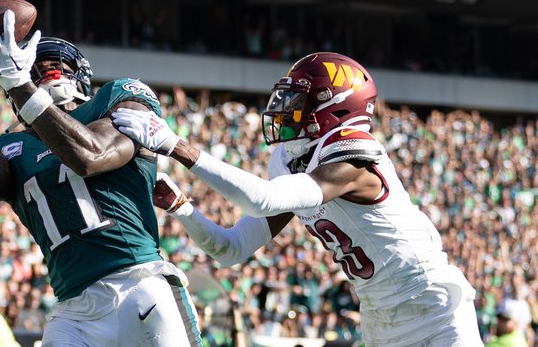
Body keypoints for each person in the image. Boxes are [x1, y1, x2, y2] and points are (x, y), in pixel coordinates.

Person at [112, 52, 483, 347]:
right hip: (379, 316)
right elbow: (232, 249)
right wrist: (184, 209)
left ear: (334, 107)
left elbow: (264, 200)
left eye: (301, 100)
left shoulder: (352, 154)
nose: (286, 108)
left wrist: (178, 147)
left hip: (435, 308)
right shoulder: (291, 159)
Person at [0, 0, 201, 346]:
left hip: (140, 285)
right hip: (73, 310)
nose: (46, 72)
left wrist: (19, 82)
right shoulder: (15, 146)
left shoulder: (116, 98)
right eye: (33, 68)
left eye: (59, 64)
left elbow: (91, 156)